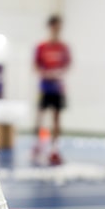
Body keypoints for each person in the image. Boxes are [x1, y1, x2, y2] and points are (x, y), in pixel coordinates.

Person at [33, 15, 71, 165]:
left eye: (59, 27)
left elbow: (67, 65)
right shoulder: (41, 47)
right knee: (41, 116)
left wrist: (59, 73)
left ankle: (54, 149)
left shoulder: (63, 47)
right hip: (44, 87)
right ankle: (39, 145)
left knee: (56, 118)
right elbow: (36, 65)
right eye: (55, 26)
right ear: (50, 27)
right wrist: (45, 73)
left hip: (58, 88)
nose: (57, 29)